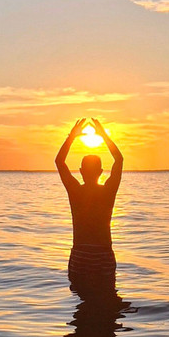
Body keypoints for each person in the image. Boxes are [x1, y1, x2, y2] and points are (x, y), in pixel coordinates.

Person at [55, 117, 123, 296]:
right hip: (103, 255)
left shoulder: (75, 191)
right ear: (101, 172)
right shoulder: (108, 191)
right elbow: (119, 160)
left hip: (81, 254)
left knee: (81, 305)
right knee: (107, 301)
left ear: (81, 171)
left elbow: (59, 162)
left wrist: (72, 136)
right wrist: (104, 136)